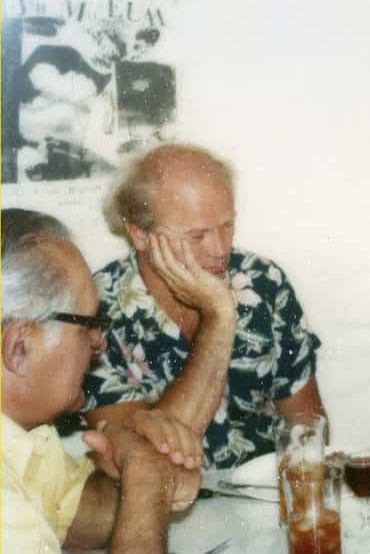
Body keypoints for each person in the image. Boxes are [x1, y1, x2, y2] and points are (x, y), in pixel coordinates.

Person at [82, 144, 326, 468]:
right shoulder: (95, 311)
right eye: (196, 236)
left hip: (264, 495)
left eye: (227, 226)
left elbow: (306, 419)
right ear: (139, 233)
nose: (219, 250)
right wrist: (219, 316)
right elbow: (142, 464)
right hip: (164, 510)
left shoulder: (262, 281)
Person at [2, 208, 201, 554]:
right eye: (85, 325)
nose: (99, 342)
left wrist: (139, 466)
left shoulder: (24, 433)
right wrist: (147, 478)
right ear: (19, 346)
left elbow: (82, 522)